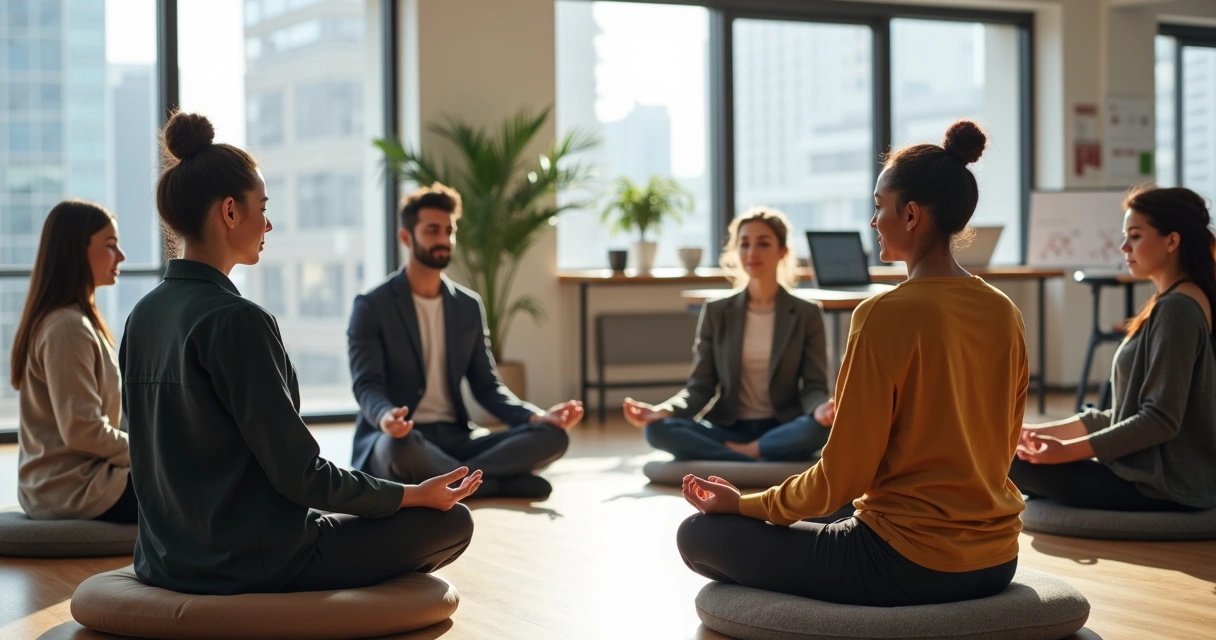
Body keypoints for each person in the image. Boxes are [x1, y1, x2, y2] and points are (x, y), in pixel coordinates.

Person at [121, 111, 480, 596]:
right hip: (256, 560)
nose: (268, 223)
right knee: (452, 523)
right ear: (230, 212)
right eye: (261, 206)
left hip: (165, 560)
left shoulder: (143, 315)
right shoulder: (238, 321)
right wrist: (412, 495)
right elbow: (301, 476)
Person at [675, 121, 1028, 607]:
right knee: (831, 509)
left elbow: (840, 477)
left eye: (879, 207)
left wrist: (745, 505)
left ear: (910, 215)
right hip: (997, 559)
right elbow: (1003, 443)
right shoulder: (1003, 310)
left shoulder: (882, 313)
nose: (872, 220)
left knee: (698, 535)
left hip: (904, 564)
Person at [348, 182, 583, 500]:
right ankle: (495, 484)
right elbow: (367, 385)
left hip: (458, 437)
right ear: (406, 237)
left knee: (553, 437)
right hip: (402, 437)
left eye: (449, 230)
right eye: (432, 230)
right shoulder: (372, 305)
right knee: (397, 450)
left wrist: (536, 416)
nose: (444, 239)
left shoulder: (467, 306)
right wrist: (386, 417)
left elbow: (488, 387)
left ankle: (459, 485)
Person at [1011, 185, 1216, 512]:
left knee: (1006, 462)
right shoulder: (1175, 301)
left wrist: (1064, 451)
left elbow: (1160, 420)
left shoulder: (1178, 309)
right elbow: (1121, 416)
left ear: (1172, 241)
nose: (1123, 247)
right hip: (1147, 474)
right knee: (1010, 450)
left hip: (1160, 485)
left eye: (1135, 236)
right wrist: (1034, 432)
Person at [622, 207, 833, 462]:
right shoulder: (716, 310)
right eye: (744, 244)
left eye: (763, 243)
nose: (752, 253)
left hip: (782, 426)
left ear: (782, 252)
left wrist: (821, 409)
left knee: (821, 428)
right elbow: (700, 387)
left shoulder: (806, 313)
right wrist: (664, 410)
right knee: (656, 430)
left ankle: (737, 455)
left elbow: (814, 387)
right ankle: (755, 455)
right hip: (727, 427)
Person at [11, 200, 135, 523]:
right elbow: (83, 430)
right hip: (73, 489)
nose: (120, 256)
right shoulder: (66, 327)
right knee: (192, 487)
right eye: (110, 246)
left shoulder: (76, 322)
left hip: (77, 480)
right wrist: (148, 454)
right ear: (75, 252)